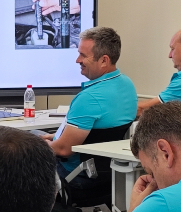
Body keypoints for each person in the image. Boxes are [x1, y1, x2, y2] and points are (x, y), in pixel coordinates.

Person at [45, 26, 138, 181]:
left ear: (104, 60)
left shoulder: (89, 98)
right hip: (108, 174)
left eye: (83, 55)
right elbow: (96, 133)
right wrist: (56, 136)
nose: (77, 60)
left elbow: (63, 149)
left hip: (75, 175)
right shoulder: (127, 85)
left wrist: (34, 146)